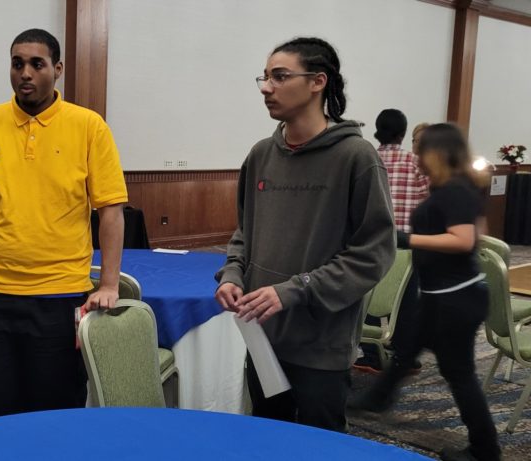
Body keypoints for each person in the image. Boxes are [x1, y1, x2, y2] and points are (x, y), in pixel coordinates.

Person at [0, 28, 128, 422]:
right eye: (17, 63)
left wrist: (109, 284)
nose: (25, 73)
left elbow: (110, 210)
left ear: (57, 69)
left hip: (59, 295)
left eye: (36, 64)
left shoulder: (89, 126)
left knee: (54, 413)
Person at [214, 37, 395, 432]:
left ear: (317, 82)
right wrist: (233, 274)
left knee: (318, 445)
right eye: (264, 77)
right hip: (262, 337)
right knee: (266, 437)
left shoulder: (356, 157)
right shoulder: (261, 154)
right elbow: (245, 232)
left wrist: (295, 290)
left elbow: (374, 253)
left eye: (280, 77)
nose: (266, 88)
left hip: (321, 346)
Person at [350, 123, 500, 461]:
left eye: (422, 151)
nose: (416, 157)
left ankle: (485, 450)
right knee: (407, 348)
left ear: (439, 153)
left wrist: (406, 239)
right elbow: (479, 230)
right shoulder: (452, 188)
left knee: (459, 374)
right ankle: (378, 398)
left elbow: (465, 240)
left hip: (456, 298)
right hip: (441, 294)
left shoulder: (456, 190)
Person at [354, 109, 430, 374]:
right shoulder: (415, 163)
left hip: (372, 241)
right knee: (407, 299)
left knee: (371, 293)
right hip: (408, 243)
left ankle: (371, 353)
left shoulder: (366, 160)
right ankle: (403, 355)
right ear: (403, 134)